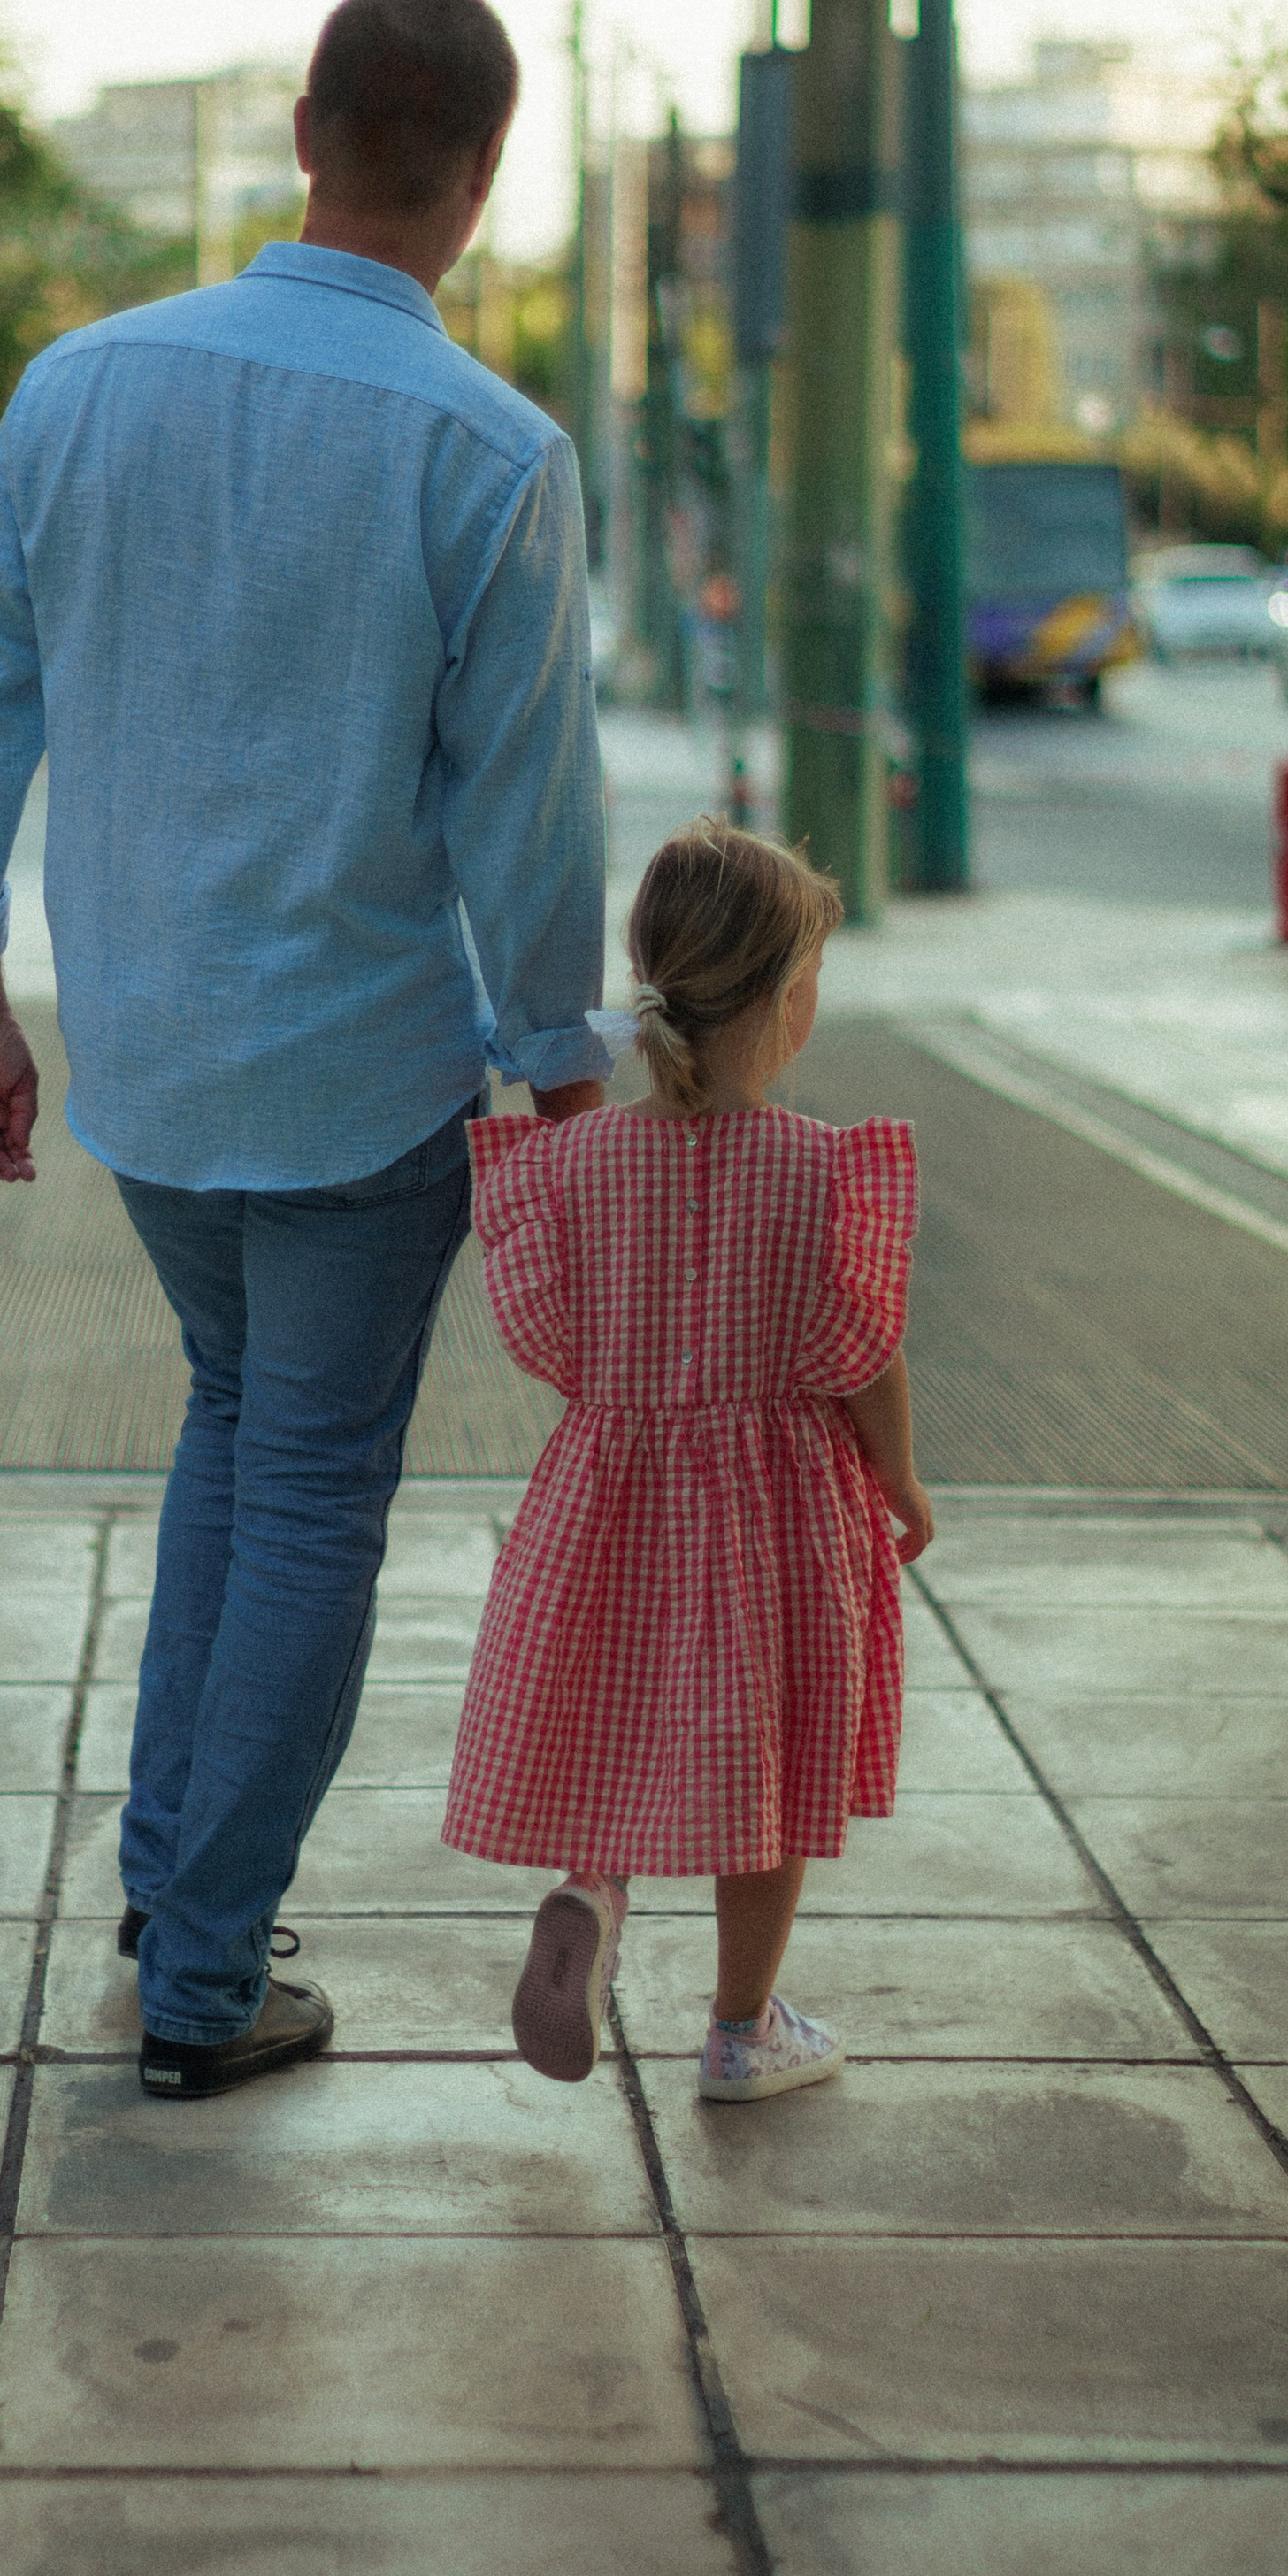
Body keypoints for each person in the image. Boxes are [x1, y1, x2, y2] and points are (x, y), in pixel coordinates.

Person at [0, 0, 611, 2100]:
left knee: (233, 1433)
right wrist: (567, 1082)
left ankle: (165, 1892)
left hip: (143, 1058)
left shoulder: (78, 388)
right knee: (303, 1487)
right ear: (481, 179)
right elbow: (529, 806)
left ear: (301, 128)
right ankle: (204, 1979)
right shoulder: (490, 453)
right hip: (359, 1075)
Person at [441, 818, 932, 2102]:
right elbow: (864, 1357)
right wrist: (902, 1483)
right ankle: (740, 2029)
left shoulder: (576, 1165)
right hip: (776, 1521)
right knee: (757, 1772)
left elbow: (549, 1340)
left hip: (612, 1505)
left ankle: (596, 1891)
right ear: (791, 1005)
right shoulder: (825, 1175)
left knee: (627, 1725)